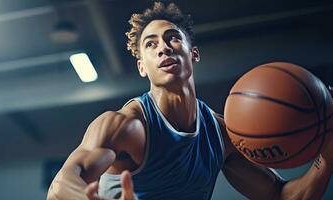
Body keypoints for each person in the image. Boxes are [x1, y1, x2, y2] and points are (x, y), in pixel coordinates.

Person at [47, 2, 333, 200]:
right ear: (141, 67)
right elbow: (61, 186)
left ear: (192, 53)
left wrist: (328, 152)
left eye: (172, 38)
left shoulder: (220, 134)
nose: (163, 48)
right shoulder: (126, 125)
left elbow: (279, 195)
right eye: (151, 44)